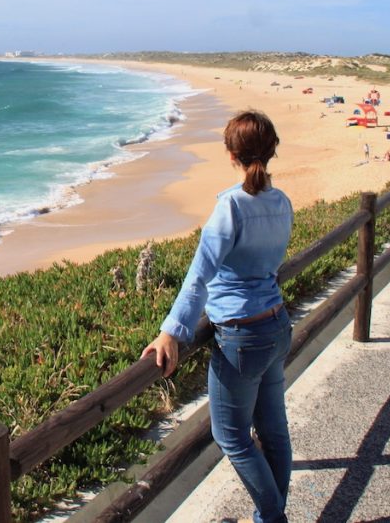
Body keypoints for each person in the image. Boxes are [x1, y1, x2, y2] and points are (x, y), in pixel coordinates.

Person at [142, 110, 294, 523]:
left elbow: (199, 277)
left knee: (232, 436)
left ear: (231, 154)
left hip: (242, 336)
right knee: (274, 432)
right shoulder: (281, 202)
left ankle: (273, 517)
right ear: (272, 150)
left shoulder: (231, 206)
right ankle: (271, 517)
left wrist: (171, 332)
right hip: (277, 323)